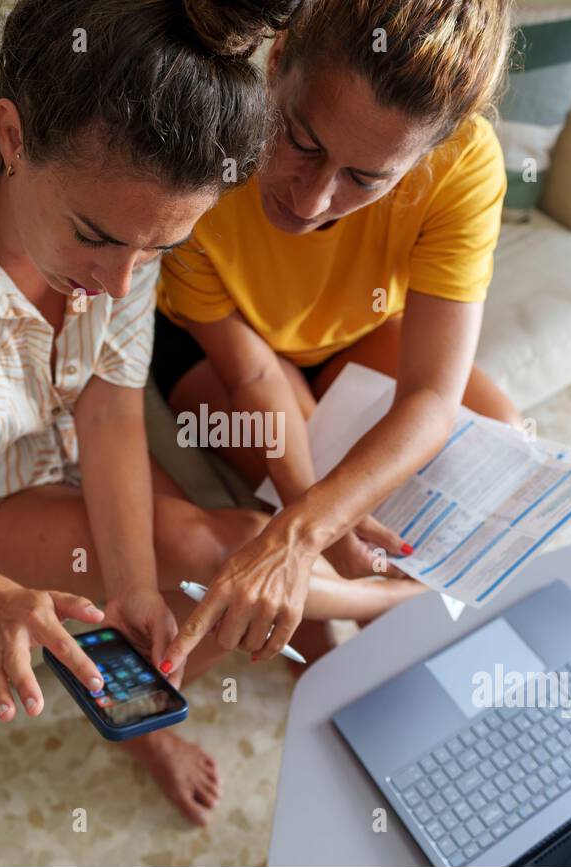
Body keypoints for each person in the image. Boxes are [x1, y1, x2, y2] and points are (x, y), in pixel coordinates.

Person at [0, 0, 417, 826]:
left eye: (160, 249)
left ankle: (202, 684)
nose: (119, 283)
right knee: (236, 550)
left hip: (51, 445)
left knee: (185, 583)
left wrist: (135, 584)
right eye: (96, 237)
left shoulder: (131, 213)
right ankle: (404, 602)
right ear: (10, 135)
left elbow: (108, 404)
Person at [153, 0, 520, 676]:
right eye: (301, 141)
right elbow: (255, 376)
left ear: (428, 155)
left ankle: (386, 628)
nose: (313, 198)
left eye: (365, 177)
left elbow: (432, 396)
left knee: (501, 433)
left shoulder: (466, 164)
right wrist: (308, 524)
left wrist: (313, 526)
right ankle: (332, 637)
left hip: (358, 323)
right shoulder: (205, 133)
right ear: (275, 65)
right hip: (216, 342)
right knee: (308, 485)